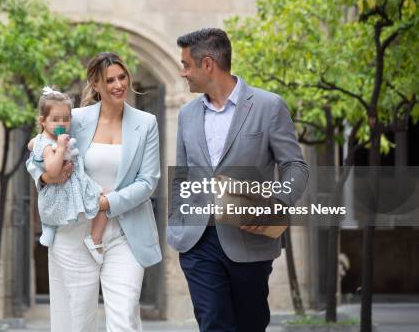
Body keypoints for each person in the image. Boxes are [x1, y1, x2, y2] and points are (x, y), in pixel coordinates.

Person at [166, 28, 309, 332]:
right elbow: (182, 173)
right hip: (197, 240)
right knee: (213, 322)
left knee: (250, 324)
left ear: (208, 64)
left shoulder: (269, 106)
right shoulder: (188, 114)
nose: (183, 73)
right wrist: (177, 219)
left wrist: (278, 204)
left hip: (249, 238)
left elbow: (295, 165)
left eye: (186, 65)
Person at [26, 52, 162, 332]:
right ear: (95, 85)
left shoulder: (146, 123)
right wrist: (46, 178)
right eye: (109, 80)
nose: (118, 84)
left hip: (127, 232)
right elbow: (38, 153)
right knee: (76, 320)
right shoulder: (74, 118)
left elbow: (148, 182)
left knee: (124, 317)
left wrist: (104, 203)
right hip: (76, 232)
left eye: (122, 77)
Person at [29, 86, 108, 263]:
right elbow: (53, 170)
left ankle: (94, 238)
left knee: (103, 201)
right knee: (100, 202)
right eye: (55, 119)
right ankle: (91, 239)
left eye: (65, 119)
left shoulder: (55, 138)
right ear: (43, 121)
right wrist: (61, 148)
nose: (61, 123)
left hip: (75, 182)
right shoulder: (49, 145)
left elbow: (32, 144)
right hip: (59, 189)